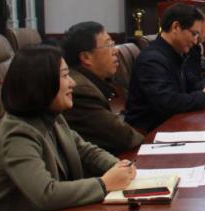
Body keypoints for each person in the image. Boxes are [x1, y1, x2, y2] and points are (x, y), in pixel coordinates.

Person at [0, 46, 137, 211]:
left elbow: (87, 151)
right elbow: (46, 194)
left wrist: (120, 167)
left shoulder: (52, 117)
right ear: (41, 84)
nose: (73, 82)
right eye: (65, 76)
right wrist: (104, 183)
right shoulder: (17, 134)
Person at [125, 4, 205, 131]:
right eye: (194, 34)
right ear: (176, 27)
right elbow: (167, 103)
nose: (195, 41)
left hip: (172, 123)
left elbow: (188, 88)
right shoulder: (152, 60)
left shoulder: (176, 53)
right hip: (151, 131)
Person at [61, 21, 144, 155]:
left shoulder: (97, 81)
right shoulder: (80, 91)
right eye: (108, 45)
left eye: (113, 44)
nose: (115, 50)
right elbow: (125, 137)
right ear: (86, 57)